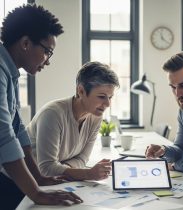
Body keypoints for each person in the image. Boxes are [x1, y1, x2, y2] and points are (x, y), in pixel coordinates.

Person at [0, 4, 82, 209]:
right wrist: (35, 192)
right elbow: (4, 138)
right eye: (48, 52)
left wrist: (40, 178)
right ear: (26, 43)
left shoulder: (10, 73)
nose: (48, 61)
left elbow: (17, 129)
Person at [26, 61, 119, 181]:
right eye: (101, 97)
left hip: (47, 182)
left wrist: (63, 169)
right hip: (18, 182)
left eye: (110, 97)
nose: (107, 104)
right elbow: (47, 168)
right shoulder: (53, 114)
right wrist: (87, 174)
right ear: (81, 91)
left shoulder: (95, 117)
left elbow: (82, 159)